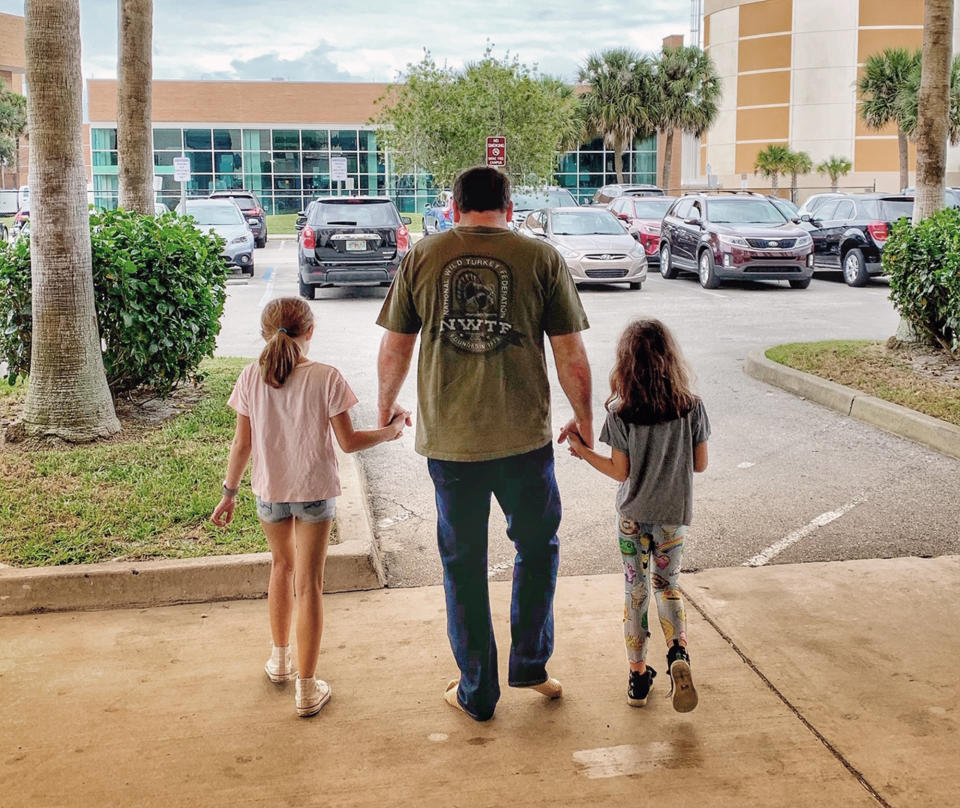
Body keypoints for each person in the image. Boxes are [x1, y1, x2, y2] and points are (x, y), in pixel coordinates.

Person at [376, 166, 593, 722]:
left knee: (464, 564)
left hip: (450, 443)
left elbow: (396, 347)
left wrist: (385, 406)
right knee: (538, 546)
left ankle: (478, 692)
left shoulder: (422, 256)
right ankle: (529, 664)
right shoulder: (541, 258)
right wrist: (584, 419)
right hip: (525, 440)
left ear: (453, 206)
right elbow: (570, 354)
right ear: (509, 205)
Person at [211, 297, 407, 717]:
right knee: (310, 582)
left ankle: (280, 663)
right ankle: (306, 687)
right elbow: (349, 443)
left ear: (265, 334)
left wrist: (229, 493)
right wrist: (390, 432)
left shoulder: (250, 377)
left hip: (270, 493)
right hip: (315, 493)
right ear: (310, 332)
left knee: (281, 568)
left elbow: (242, 445)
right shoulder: (326, 377)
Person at [563, 319, 710, 713]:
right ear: (670, 358)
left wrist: (581, 449)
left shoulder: (621, 411)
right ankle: (678, 653)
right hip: (672, 517)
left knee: (635, 592)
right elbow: (700, 465)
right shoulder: (691, 407)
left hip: (631, 518)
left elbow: (619, 472)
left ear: (626, 363)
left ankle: (638, 678)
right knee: (668, 586)